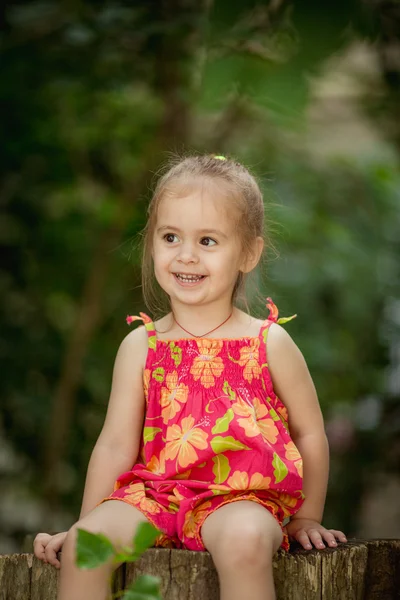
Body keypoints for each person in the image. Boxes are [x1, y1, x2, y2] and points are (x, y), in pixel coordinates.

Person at [34, 154, 347, 600]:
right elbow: (116, 444)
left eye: (207, 241)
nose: (186, 255)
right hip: (156, 495)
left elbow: (310, 433)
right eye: (170, 237)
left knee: (244, 542)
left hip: (244, 498)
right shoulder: (141, 346)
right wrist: (87, 523)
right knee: (87, 547)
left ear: (248, 253)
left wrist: (307, 517)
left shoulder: (269, 342)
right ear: (153, 244)